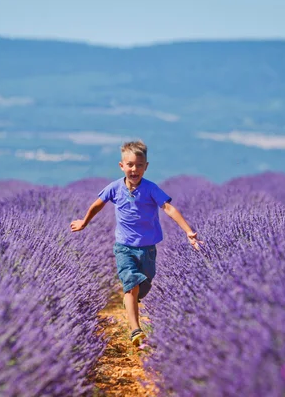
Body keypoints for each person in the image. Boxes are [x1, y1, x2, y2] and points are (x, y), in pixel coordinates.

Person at [70, 140, 201, 346]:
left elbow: (168, 208)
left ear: (146, 167)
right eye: (130, 164)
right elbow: (97, 204)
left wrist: (189, 232)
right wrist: (84, 222)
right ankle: (135, 330)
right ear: (122, 166)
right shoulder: (114, 188)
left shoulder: (150, 189)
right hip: (124, 248)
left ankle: (131, 300)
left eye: (139, 165)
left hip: (148, 249)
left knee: (143, 285)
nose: (134, 169)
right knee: (131, 285)